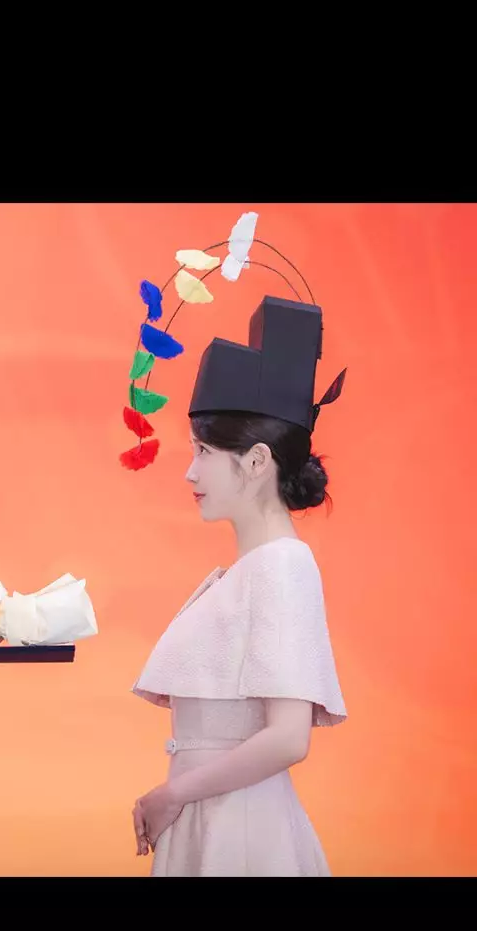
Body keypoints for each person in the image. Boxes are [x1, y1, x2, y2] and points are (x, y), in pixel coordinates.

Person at [131, 293, 348, 876]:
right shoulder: (256, 568)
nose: (190, 471)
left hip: (240, 830)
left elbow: (288, 738)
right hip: (217, 818)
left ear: (255, 461)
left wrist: (173, 794)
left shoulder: (282, 566)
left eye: (203, 451)